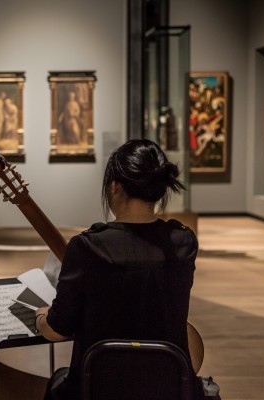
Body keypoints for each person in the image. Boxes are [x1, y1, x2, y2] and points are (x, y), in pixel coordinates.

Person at [36, 139, 205, 400]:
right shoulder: (183, 243)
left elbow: (57, 329)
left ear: (115, 187)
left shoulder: (87, 247)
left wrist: (41, 317)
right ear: (159, 190)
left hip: (97, 389)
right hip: (169, 388)